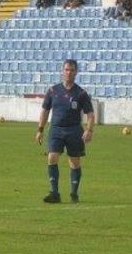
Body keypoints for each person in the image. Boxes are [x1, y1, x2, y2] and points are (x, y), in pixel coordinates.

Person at [36, 60, 95, 203]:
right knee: (52, 157)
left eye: (72, 70)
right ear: (62, 71)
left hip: (74, 130)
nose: (69, 73)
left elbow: (90, 114)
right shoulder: (52, 91)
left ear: (76, 72)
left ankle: (74, 193)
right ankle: (54, 192)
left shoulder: (81, 93)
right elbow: (45, 111)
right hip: (56, 129)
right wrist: (40, 130)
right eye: (67, 70)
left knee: (74, 162)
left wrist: (89, 130)